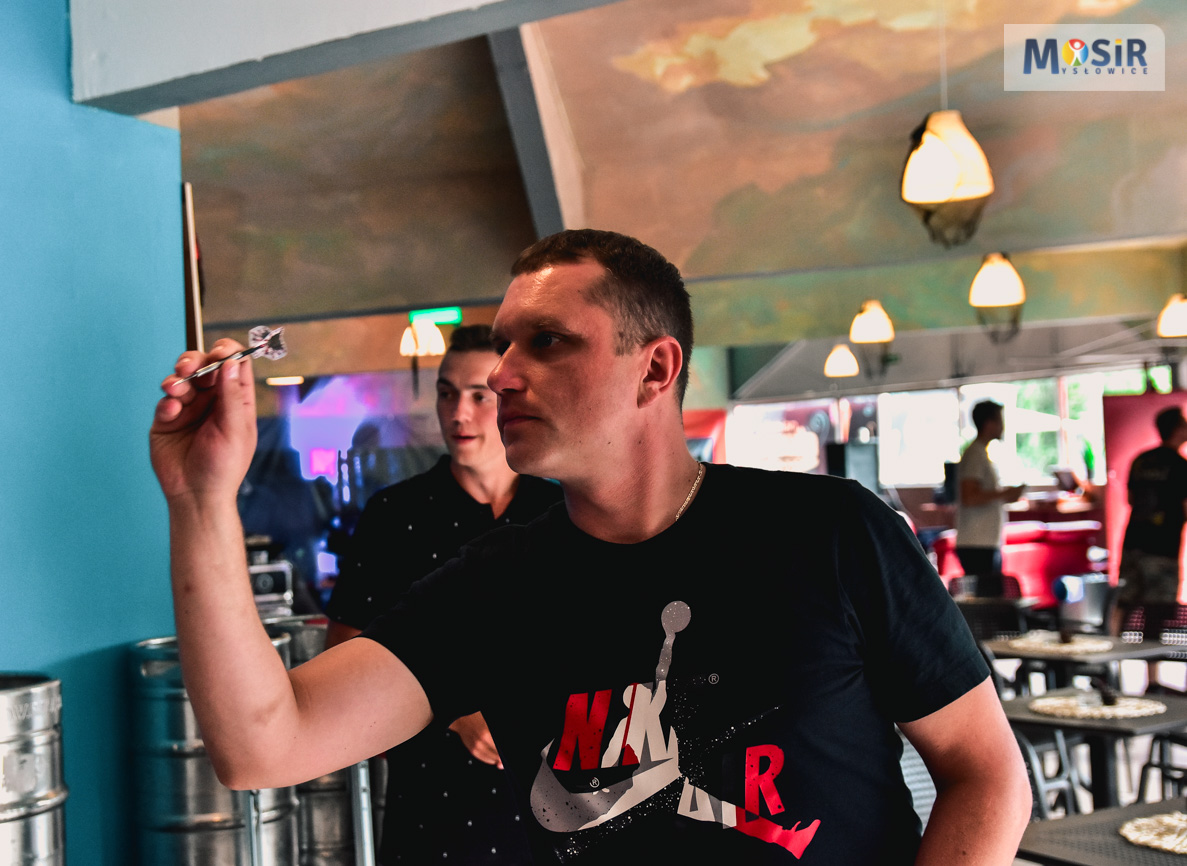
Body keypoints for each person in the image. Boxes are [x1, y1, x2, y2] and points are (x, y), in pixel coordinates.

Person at [150, 229, 1031, 864]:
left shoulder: (830, 532)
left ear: (654, 368)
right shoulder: (495, 584)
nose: (502, 376)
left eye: (547, 342)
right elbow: (264, 746)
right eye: (504, 346)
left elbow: (985, 774)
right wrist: (199, 501)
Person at [323, 324, 563, 865]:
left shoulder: (563, 510)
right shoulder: (395, 515)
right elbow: (343, 654)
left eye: (479, 395)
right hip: (433, 813)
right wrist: (454, 711)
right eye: (446, 394)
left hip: (559, 807)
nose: (458, 413)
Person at [1110, 407, 1187, 659]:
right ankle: (1151, 674)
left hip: (1133, 543)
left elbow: (1131, 499)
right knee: (1157, 612)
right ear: (1177, 429)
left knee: (1124, 603)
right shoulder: (1180, 466)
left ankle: (1110, 662)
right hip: (1162, 548)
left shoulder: (1141, 460)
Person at [955, 400, 1026, 597]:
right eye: (1000, 421)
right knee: (989, 601)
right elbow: (969, 497)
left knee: (993, 596)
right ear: (989, 423)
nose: (1003, 427)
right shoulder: (975, 454)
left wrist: (1004, 495)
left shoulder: (982, 453)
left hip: (985, 541)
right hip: (977, 543)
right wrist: (1005, 494)